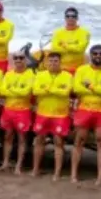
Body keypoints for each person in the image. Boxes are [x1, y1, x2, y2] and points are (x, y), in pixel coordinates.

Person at [71, 44, 101, 185]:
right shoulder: (81, 69)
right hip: (84, 109)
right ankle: (74, 175)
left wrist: (90, 86)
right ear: (90, 55)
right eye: (95, 53)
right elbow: (76, 88)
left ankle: (100, 177)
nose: (98, 56)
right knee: (79, 141)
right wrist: (98, 90)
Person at [31, 52, 74, 180]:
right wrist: (55, 90)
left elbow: (66, 92)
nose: (53, 63)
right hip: (43, 113)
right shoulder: (40, 75)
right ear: (46, 63)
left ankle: (57, 173)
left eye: (56, 61)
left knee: (58, 143)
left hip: (60, 115)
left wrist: (49, 90)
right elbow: (35, 91)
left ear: (60, 62)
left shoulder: (67, 76)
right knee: (39, 141)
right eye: (50, 61)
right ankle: (35, 169)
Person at [0, 51, 35, 174]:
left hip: (23, 111)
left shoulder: (30, 74)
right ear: (12, 60)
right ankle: (5, 163)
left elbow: (26, 93)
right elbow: (3, 91)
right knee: (8, 136)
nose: (18, 60)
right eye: (16, 58)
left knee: (22, 139)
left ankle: (18, 166)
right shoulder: (8, 74)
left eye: (21, 58)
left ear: (25, 60)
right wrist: (18, 91)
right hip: (9, 109)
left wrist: (12, 90)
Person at [51, 7, 90, 74]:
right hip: (62, 68)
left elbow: (80, 49)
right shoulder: (58, 33)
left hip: (78, 68)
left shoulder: (84, 33)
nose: (70, 18)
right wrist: (73, 47)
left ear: (77, 18)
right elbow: (54, 49)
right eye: (68, 16)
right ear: (65, 18)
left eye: (73, 16)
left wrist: (64, 45)